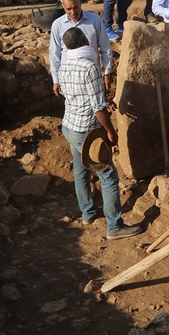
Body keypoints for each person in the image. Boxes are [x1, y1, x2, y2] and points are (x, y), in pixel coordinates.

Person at [56, 27, 141, 240]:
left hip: (69, 126)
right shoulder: (90, 67)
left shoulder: (64, 65)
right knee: (108, 175)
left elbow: (77, 97)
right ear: (85, 40)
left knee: (81, 171)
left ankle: (88, 213)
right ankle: (115, 226)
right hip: (87, 130)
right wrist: (110, 131)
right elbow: (96, 107)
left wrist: (103, 104)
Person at [49, 0, 114, 96]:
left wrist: (107, 73)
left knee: (96, 103)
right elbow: (54, 54)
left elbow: (105, 48)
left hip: (92, 77)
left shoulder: (95, 20)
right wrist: (56, 80)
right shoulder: (57, 25)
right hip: (68, 80)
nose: (73, 12)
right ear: (63, 6)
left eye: (75, 7)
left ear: (80, 3)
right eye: (68, 9)